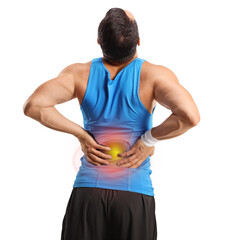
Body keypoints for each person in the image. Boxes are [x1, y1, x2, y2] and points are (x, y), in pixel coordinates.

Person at [23, 7, 200, 240]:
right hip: (133, 196)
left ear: (98, 41)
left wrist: (82, 135)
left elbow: (33, 105)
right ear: (138, 41)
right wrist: (148, 139)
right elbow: (189, 116)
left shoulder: (79, 74)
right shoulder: (155, 76)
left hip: (88, 193)